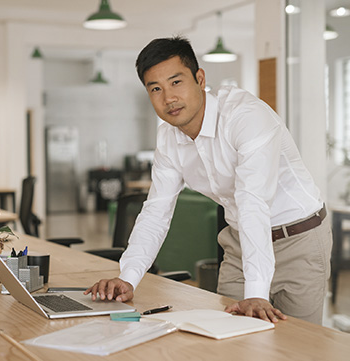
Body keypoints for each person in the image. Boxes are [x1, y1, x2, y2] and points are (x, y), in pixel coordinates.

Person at [85, 36, 332, 325]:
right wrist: (127, 277)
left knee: (299, 347)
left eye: (176, 82)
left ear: (200, 79)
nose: (168, 98)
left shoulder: (245, 116)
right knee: (230, 341)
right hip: (240, 245)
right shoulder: (168, 138)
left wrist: (256, 293)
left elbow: (252, 202)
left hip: (298, 240)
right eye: (156, 89)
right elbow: (156, 211)